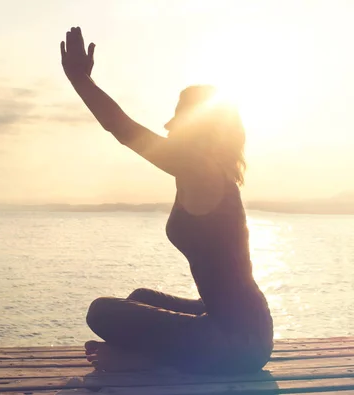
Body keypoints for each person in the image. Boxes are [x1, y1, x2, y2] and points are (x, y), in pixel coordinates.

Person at [60, 27, 274, 375]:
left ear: (198, 127)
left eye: (177, 116)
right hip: (240, 327)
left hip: (235, 342)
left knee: (101, 310)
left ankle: (134, 360)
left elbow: (123, 129)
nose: (167, 125)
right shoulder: (201, 171)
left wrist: (79, 79)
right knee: (140, 297)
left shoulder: (200, 168)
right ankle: (132, 356)